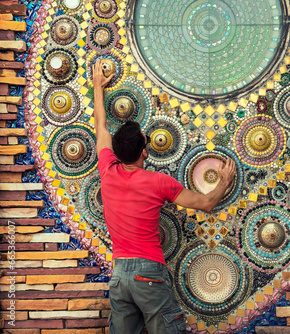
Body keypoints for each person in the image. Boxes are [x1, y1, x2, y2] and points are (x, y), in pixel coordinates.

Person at [92, 59, 236, 334]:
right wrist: (224, 181)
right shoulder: (158, 183)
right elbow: (206, 203)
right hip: (149, 273)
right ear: (145, 151)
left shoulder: (107, 170)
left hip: (120, 274)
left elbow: (101, 127)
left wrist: (98, 87)